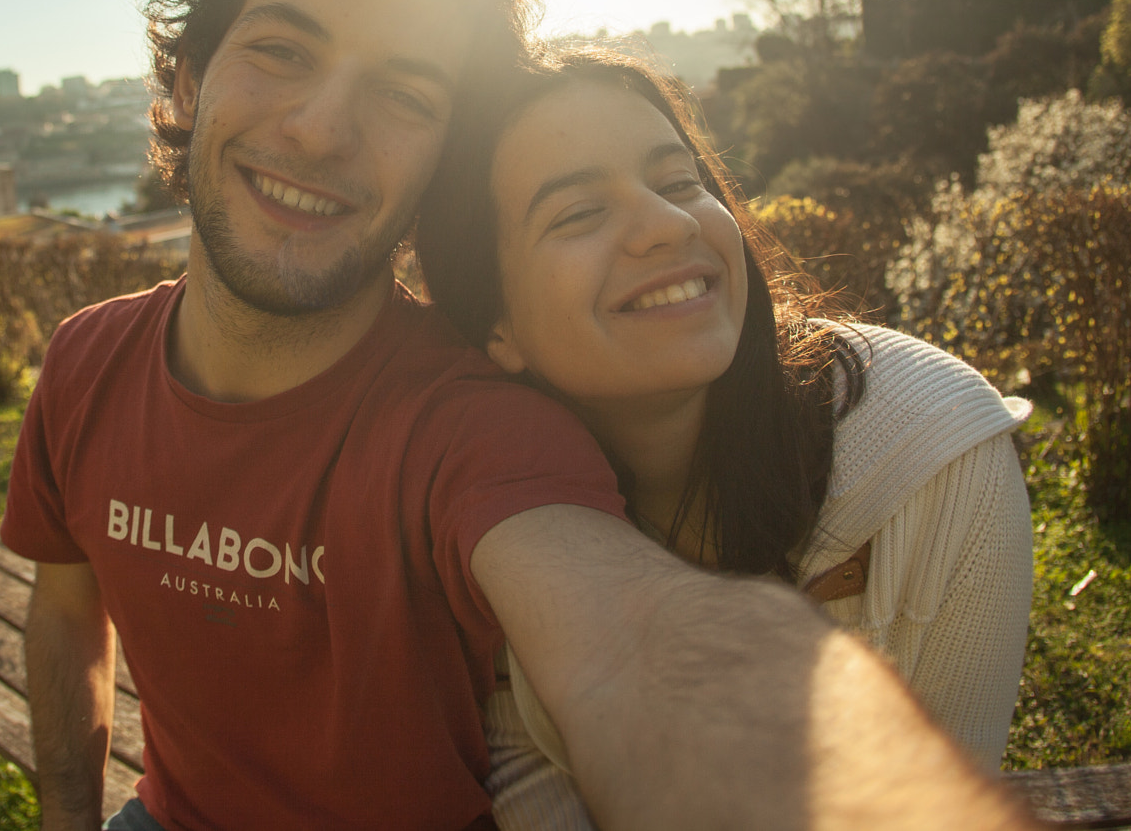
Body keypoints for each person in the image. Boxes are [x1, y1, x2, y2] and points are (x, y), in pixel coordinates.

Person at [0, 0, 1034, 831]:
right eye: (279, 49)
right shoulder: (86, 364)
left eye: (404, 93)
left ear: (433, 171)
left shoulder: (474, 426)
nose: (320, 130)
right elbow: (62, 615)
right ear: (185, 81)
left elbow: (623, 637)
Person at [414, 49, 1034, 828]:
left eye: (680, 184)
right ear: (495, 324)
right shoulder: (483, 525)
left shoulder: (934, 447)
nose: (669, 224)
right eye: (577, 214)